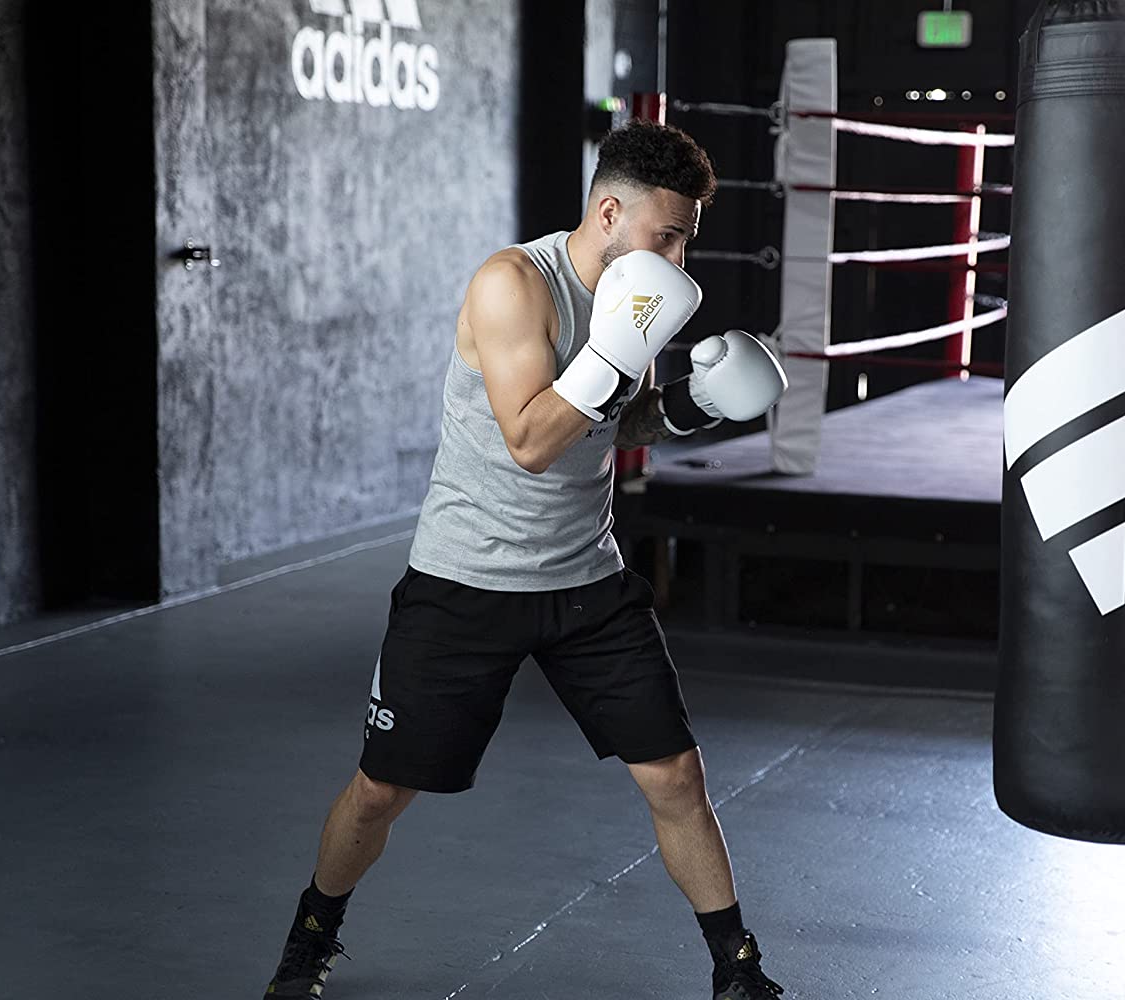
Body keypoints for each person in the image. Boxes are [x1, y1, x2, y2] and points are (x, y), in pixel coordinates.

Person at [263, 120, 789, 1000]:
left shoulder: (640, 294)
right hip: (465, 580)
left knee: (675, 773)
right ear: (610, 210)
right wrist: (615, 349)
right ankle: (310, 938)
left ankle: (739, 972)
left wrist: (698, 405)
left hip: (585, 577)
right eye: (667, 233)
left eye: (688, 238)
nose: (679, 255)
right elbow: (532, 441)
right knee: (382, 791)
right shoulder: (513, 285)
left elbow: (622, 419)